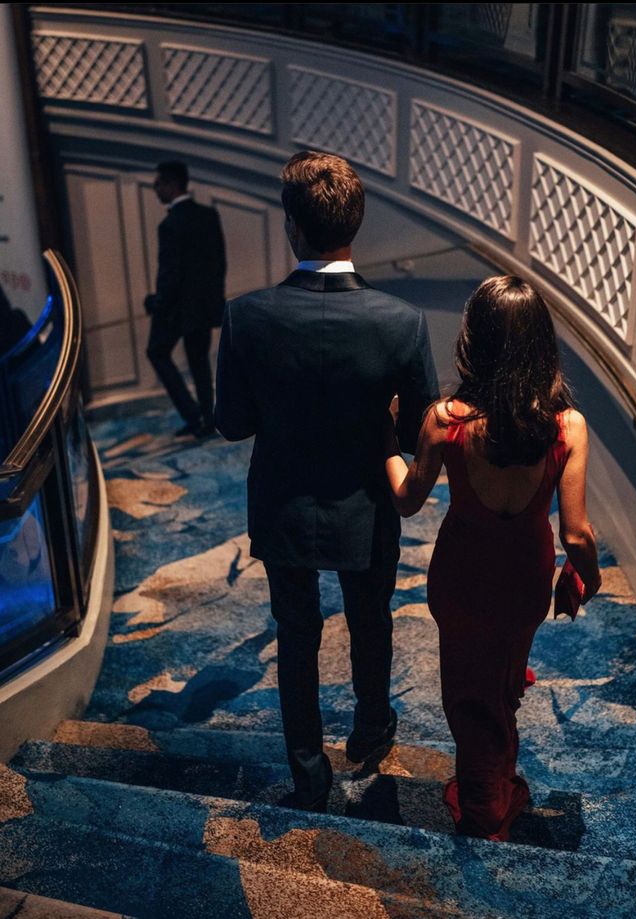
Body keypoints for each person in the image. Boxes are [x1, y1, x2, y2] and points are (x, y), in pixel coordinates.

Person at [215, 151, 439, 811]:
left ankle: (308, 775)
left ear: (292, 225)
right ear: (357, 222)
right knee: (370, 618)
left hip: (282, 499)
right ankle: (371, 730)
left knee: (296, 631)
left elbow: (231, 423)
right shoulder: (400, 322)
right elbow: (424, 422)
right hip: (367, 501)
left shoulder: (246, 316)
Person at [385, 275, 601, 840]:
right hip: (524, 576)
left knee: (466, 691)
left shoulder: (445, 418)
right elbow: (576, 536)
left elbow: (407, 501)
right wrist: (586, 579)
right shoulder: (567, 425)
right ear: (540, 342)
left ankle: (484, 809)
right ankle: (499, 780)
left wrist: (385, 442)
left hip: (461, 575)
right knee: (502, 682)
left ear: (473, 340)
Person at [145, 160, 226, 438]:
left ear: (171, 184)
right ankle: (206, 418)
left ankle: (194, 415)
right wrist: (214, 303)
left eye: (158, 184)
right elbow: (219, 264)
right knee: (200, 363)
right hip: (203, 307)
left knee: (156, 352)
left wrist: (157, 303)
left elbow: (170, 274)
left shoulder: (169, 225)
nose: (155, 189)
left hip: (176, 309)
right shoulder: (208, 215)